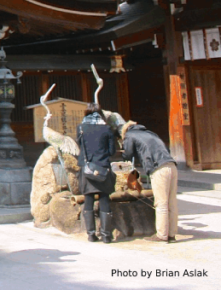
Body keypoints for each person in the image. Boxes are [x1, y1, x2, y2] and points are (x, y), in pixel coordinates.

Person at [120, 120, 178, 242]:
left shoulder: (129, 135)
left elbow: (128, 154)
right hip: (172, 166)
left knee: (161, 203)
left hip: (159, 168)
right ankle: (172, 235)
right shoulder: (151, 133)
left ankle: (162, 235)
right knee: (171, 203)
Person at [76, 103, 117, 243]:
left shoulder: (81, 128)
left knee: (88, 199)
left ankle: (91, 235)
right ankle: (106, 235)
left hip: (87, 168)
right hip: (102, 168)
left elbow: (81, 147)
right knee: (104, 198)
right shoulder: (107, 129)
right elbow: (112, 151)